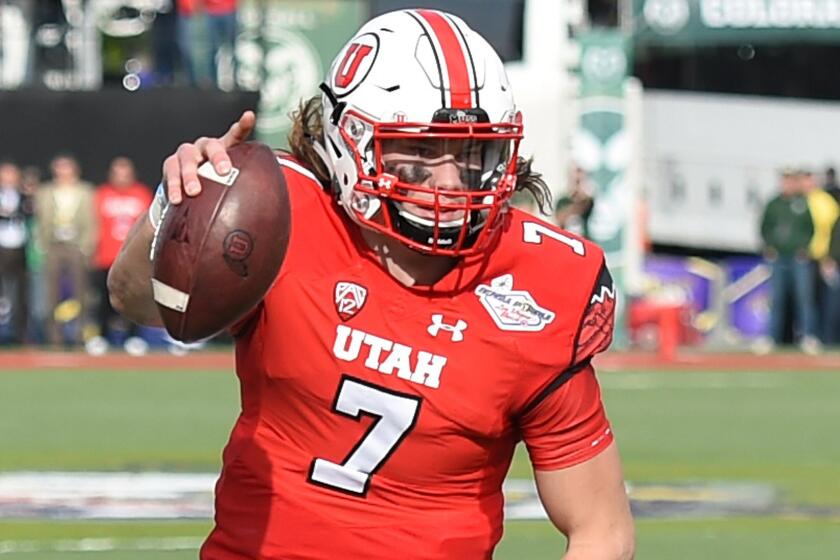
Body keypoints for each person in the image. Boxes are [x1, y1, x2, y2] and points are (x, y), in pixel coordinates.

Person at [109, 10, 634, 559]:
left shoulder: (537, 280)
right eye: (421, 151)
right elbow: (136, 301)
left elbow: (601, 529)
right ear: (348, 140)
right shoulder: (279, 215)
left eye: (472, 151)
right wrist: (181, 211)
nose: (450, 182)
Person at [87, 157, 153, 355]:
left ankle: (134, 336)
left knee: (135, 299)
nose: (121, 177)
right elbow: (93, 225)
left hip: (133, 258)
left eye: (125, 172)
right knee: (104, 300)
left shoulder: (141, 194)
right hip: (106, 256)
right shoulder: (101, 194)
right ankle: (101, 336)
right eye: (117, 172)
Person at [756, 168, 818, 355]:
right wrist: (769, 246)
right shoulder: (774, 203)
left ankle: (808, 336)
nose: (788, 184)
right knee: (776, 299)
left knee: (804, 298)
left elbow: (810, 228)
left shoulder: (801, 203)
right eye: (786, 181)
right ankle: (771, 337)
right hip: (778, 257)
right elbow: (764, 227)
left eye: (791, 181)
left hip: (797, 259)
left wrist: (804, 248)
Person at [36, 154, 96, 348]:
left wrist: (86, 247)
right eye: (59, 168)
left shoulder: (86, 191)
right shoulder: (45, 191)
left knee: (81, 293)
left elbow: (93, 222)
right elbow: (39, 220)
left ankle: (80, 334)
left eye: (66, 167)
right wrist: (42, 245)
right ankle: (54, 337)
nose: (62, 172)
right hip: (54, 245)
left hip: (76, 246)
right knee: (51, 294)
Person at [0, 161, 30, 344]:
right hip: (1, 247)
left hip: (19, 248)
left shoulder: (25, 196)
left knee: (20, 293)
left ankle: (20, 335)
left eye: (12, 174)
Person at [554, 165, 595, 238]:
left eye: (580, 181)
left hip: (584, 240)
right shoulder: (563, 200)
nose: (577, 184)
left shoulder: (588, 201)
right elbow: (559, 219)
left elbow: (587, 206)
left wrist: (581, 194)